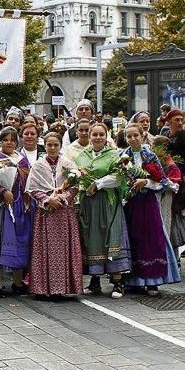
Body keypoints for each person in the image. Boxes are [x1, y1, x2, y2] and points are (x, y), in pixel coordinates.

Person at [121, 125, 182, 295]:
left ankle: (152, 281)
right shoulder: (122, 156)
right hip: (130, 204)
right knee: (133, 240)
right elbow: (118, 178)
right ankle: (133, 280)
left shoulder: (150, 156)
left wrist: (145, 182)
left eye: (136, 135)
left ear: (142, 136)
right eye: (129, 136)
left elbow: (162, 181)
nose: (133, 139)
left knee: (151, 239)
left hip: (147, 203)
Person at [75, 123, 130, 298]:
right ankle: (95, 280)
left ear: (107, 136)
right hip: (88, 203)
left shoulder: (114, 155)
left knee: (111, 236)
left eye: (101, 134)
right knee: (91, 239)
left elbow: (119, 177)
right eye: (95, 134)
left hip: (107, 201)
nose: (98, 137)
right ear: (89, 137)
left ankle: (118, 282)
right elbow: (75, 176)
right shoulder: (82, 156)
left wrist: (98, 183)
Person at [25, 132, 82, 300]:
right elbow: (33, 188)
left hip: (64, 213)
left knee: (63, 249)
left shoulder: (68, 164)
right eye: (49, 145)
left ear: (60, 146)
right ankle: (42, 288)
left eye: (55, 145)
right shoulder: (38, 165)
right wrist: (48, 199)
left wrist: (63, 198)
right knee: (43, 249)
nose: (52, 148)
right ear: (45, 146)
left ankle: (60, 288)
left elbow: (75, 186)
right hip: (46, 213)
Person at [0, 126, 34, 297]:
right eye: (5, 139)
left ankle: (18, 282)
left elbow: (28, 179)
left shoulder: (22, 159)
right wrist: (3, 192)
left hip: (20, 206)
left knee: (20, 243)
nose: (9, 143)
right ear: (0, 140)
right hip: (2, 207)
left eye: (12, 140)